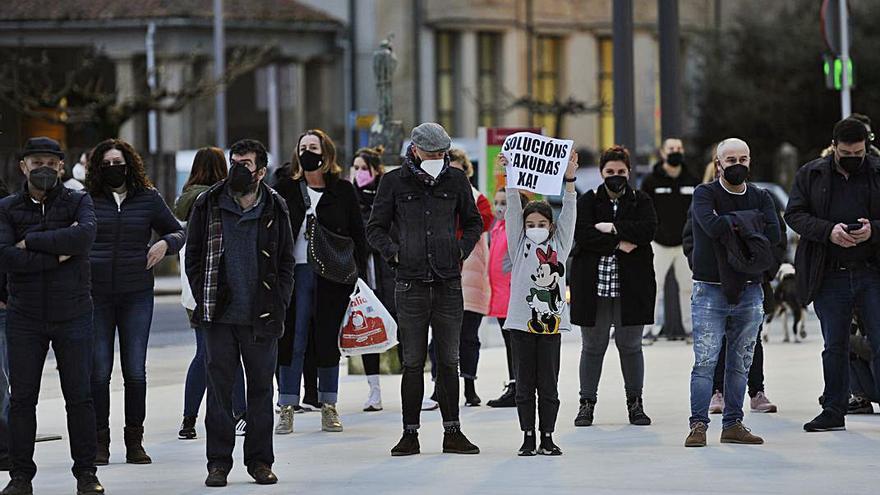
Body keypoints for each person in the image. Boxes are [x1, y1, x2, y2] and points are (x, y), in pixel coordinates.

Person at [367, 122, 483, 457]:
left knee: (449, 360)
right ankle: (410, 433)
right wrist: (395, 253)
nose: (437, 158)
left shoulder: (457, 180)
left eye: (441, 153)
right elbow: (374, 228)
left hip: (447, 281)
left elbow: (474, 221)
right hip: (410, 282)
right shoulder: (393, 182)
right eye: (431, 153)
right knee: (413, 361)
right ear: (415, 151)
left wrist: (461, 249)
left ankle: (453, 431)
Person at [186, 138, 295, 487]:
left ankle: (260, 462)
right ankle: (218, 463)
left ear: (261, 171)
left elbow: (286, 262)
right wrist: (204, 291)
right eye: (234, 161)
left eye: (245, 164)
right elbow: (193, 256)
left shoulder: (275, 206)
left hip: (260, 316)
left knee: (261, 391)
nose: (237, 169)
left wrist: (279, 300)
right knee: (219, 391)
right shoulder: (209, 202)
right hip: (218, 315)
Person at [0, 137, 103, 494]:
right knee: (22, 399)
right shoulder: (7, 208)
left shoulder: (79, 200)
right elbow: (5, 257)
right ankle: (20, 476)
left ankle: (86, 474)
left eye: (50, 161)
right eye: (35, 162)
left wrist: (31, 242)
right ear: (23, 167)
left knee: (80, 397)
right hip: (24, 315)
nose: (43, 168)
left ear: (62, 166)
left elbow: (86, 238)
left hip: (74, 312)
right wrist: (60, 251)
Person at [85, 139, 186, 465]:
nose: (114, 167)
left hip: (136, 294)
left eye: (119, 161)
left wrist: (165, 245)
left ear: (129, 164)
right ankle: (100, 441)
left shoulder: (148, 197)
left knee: (135, 371)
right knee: (99, 371)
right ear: (98, 168)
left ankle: (135, 441)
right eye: (107, 163)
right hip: (95, 295)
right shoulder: (86, 200)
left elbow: (178, 230)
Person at [785, 118, 880, 432]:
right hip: (830, 274)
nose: (853, 157)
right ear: (834, 147)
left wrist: (872, 231)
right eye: (846, 153)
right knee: (835, 346)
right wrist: (829, 232)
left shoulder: (877, 170)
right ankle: (834, 410)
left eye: (859, 152)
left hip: (871, 273)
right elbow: (794, 214)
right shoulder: (811, 174)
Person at [684, 138, 780, 448]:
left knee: (741, 362)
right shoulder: (705, 193)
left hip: (751, 290)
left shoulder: (762, 196)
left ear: (750, 161)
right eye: (730, 159)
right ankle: (698, 425)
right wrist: (750, 224)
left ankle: (733, 424)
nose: (737, 164)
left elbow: (775, 234)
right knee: (705, 362)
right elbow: (711, 227)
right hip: (709, 289)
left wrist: (734, 225)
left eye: (743, 158)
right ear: (718, 163)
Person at [274, 129, 367, 434]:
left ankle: (329, 405)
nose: (308, 152)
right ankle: (286, 405)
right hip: (294, 273)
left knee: (327, 340)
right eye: (303, 147)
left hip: (332, 276)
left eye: (314, 147)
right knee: (292, 340)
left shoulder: (342, 190)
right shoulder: (285, 188)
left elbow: (357, 235)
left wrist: (360, 279)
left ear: (326, 153)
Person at [570, 146, 657, 428]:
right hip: (594, 288)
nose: (616, 176)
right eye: (610, 172)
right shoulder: (588, 201)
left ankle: (635, 403)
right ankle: (586, 403)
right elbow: (582, 235)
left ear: (629, 172)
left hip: (631, 288)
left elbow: (647, 231)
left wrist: (611, 227)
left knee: (631, 346)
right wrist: (620, 241)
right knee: (592, 347)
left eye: (621, 172)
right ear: (601, 173)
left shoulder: (642, 200)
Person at [500, 150, 577, 456]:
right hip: (520, 323)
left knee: (549, 385)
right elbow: (510, 213)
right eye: (530, 222)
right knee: (524, 385)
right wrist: (510, 178)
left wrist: (569, 179)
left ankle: (547, 435)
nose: (535, 227)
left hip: (550, 325)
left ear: (550, 225)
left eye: (541, 222)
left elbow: (569, 213)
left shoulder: (560, 245)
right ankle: (528, 435)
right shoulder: (518, 245)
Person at [174, 147, 247, 440]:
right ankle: (240, 413)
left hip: (192, 290)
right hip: (220, 286)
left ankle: (188, 419)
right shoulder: (219, 198)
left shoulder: (187, 199)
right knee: (231, 352)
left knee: (203, 353)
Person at [443, 148, 493, 406]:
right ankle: (439, 387)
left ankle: (469, 385)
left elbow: (483, 221)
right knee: (442, 337)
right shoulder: (436, 197)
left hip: (472, 279)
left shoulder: (478, 198)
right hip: (444, 276)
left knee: (469, 337)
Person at [640, 138, 698, 342]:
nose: (676, 152)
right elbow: (644, 209)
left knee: (688, 287)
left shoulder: (692, 178)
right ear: (663, 153)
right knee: (654, 287)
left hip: (685, 244)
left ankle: (691, 329)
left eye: (679, 148)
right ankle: (649, 330)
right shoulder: (650, 180)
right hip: (658, 243)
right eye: (671, 149)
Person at [351, 145, 395, 412]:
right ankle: (374, 390)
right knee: (368, 330)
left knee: (400, 326)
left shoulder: (387, 195)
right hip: (363, 274)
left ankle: (416, 388)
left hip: (388, 271)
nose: (358, 173)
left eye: (363, 168)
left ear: (376, 170)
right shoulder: (350, 198)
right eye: (355, 168)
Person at [486, 180, 529, 408]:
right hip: (500, 295)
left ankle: (518, 386)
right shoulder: (497, 228)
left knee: (515, 344)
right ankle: (515, 384)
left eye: (505, 203)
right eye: (497, 203)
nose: (499, 207)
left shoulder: (515, 230)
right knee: (509, 343)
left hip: (511, 294)